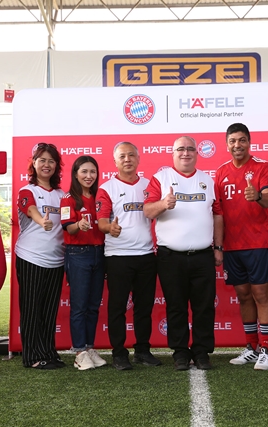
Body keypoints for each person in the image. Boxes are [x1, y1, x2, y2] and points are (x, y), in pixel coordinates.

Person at [144, 136, 223, 371]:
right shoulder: (160, 178)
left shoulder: (207, 180)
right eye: (180, 149)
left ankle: (201, 352)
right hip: (171, 256)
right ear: (173, 153)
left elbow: (218, 215)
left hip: (203, 255)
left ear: (197, 153)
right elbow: (147, 211)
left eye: (190, 149)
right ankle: (179, 352)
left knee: (204, 306)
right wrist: (163, 204)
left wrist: (218, 247)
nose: (185, 153)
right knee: (176, 307)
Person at [215, 123, 268, 371]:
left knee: (261, 294)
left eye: (241, 140)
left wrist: (258, 196)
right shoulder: (221, 172)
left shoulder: (262, 166)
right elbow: (218, 212)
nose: (237, 145)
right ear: (227, 144)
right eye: (232, 141)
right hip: (232, 246)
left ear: (249, 142)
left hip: (257, 244)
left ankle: (267, 350)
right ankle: (251, 347)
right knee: (243, 295)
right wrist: (218, 245)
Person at [97, 142, 160, 370]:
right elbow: (101, 221)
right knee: (117, 308)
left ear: (138, 159)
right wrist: (109, 228)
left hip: (146, 255)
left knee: (144, 308)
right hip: (118, 256)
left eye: (131, 155)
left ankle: (142, 351)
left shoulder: (149, 185)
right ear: (115, 161)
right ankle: (119, 354)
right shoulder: (107, 188)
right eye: (122, 156)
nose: (127, 159)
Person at [15, 142, 66, 370]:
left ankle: (48, 352)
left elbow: (69, 219)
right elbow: (30, 209)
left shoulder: (61, 194)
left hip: (56, 260)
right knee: (32, 309)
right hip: (31, 257)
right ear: (34, 164)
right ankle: (32, 357)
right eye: (42, 160)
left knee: (49, 310)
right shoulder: (28, 191)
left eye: (51, 161)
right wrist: (41, 221)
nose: (47, 165)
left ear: (56, 166)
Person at [60, 155, 106, 371]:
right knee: (79, 306)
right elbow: (68, 228)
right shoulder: (68, 198)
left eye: (93, 172)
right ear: (76, 174)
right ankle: (79, 352)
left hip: (99, 253)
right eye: (84, 171)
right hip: (78, 254)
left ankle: (89, 347)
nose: (89, 176)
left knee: (93, 305)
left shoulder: (99, 196)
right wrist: (78, 224)